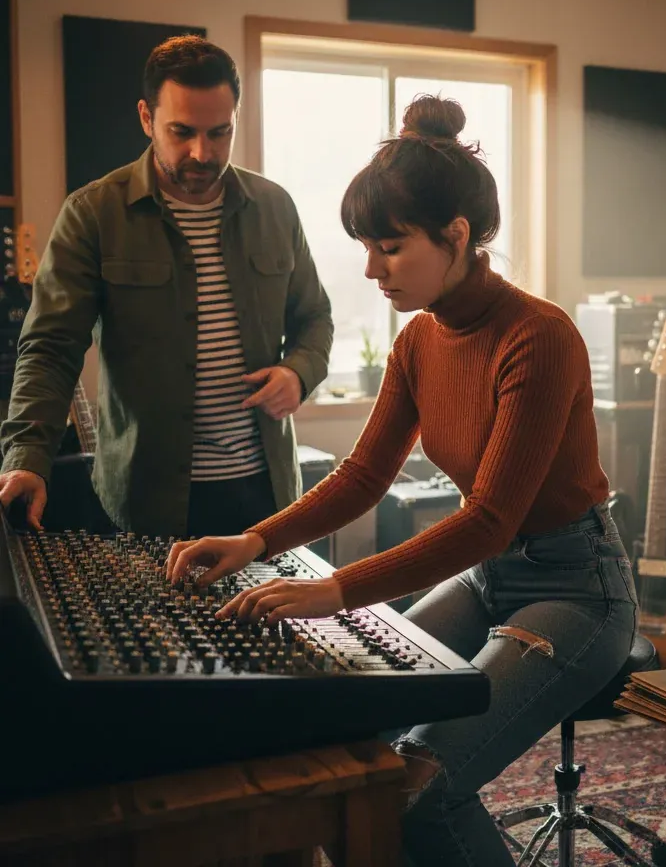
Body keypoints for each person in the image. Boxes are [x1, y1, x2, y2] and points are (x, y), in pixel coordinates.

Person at [164, 94, 638, 867]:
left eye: (389, 247)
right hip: (490, 579)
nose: (371, 268)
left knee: (422, 787)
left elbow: (488, 517)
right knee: (352, 736)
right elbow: (362, 476)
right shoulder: (420, 338)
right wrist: (254, 541)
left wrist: (336, 590)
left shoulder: (538, 337)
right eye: (366, 246)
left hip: (577, 589)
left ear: (455, 236)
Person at [0, 35, 333, 537]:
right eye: (183, 132)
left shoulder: (276, 207)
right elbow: (50, 347)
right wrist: (26, 457)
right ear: (145, 118)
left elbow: (314, 318)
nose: (203, 152)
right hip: (146, 498)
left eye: (220, 133)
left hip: (265, 492)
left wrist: (298, 373)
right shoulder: (93, 213)